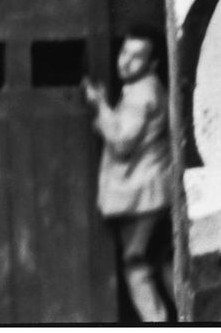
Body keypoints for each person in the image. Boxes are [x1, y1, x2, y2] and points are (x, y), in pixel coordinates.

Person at [84, 24, 174, 322]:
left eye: (136, 57)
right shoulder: (151, 88)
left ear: (152, 64)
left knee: (136, 266)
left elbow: (123, 142)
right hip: (155, 194)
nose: (124, 61)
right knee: (161, 262)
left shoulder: (140, 93)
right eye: (124, 51)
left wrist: (100, 106)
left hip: (142, 198)